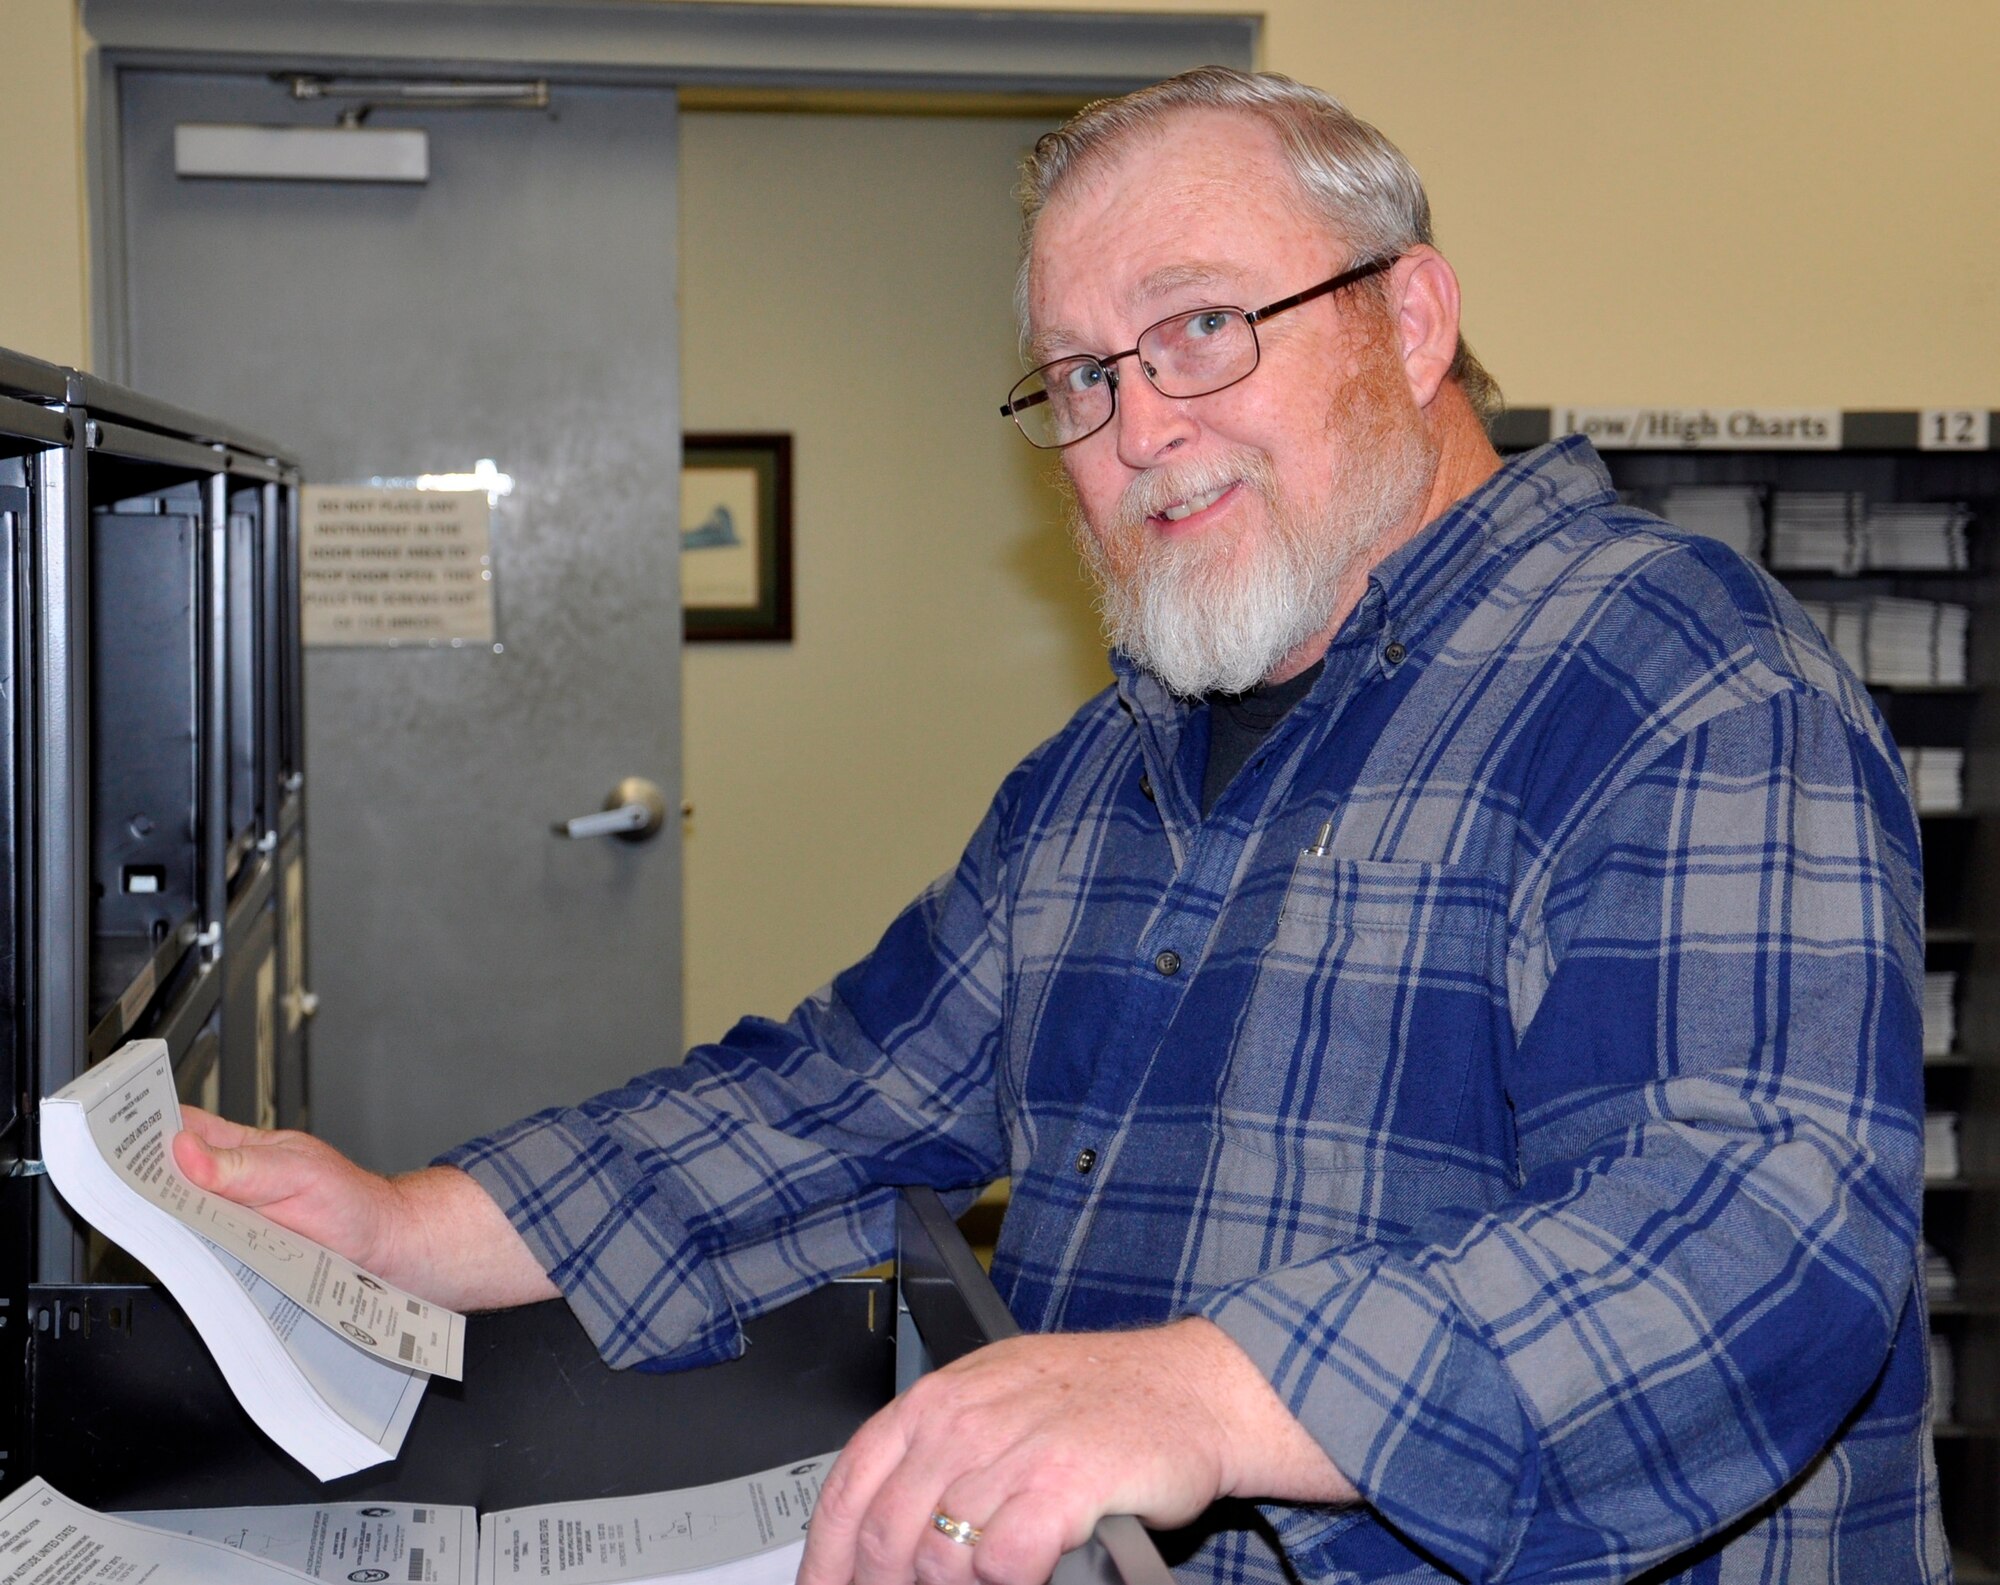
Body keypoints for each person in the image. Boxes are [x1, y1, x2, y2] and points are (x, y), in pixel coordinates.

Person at [174, 68, 1943, 1585]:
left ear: (1409, 322)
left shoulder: (1684, 681)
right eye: (1076, 377)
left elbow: (1759, 1235)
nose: (1137, 428)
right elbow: (839, 1100)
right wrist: (412, 1224)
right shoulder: (1119, 764)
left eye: (1197, 328)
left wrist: (1207, 1389)